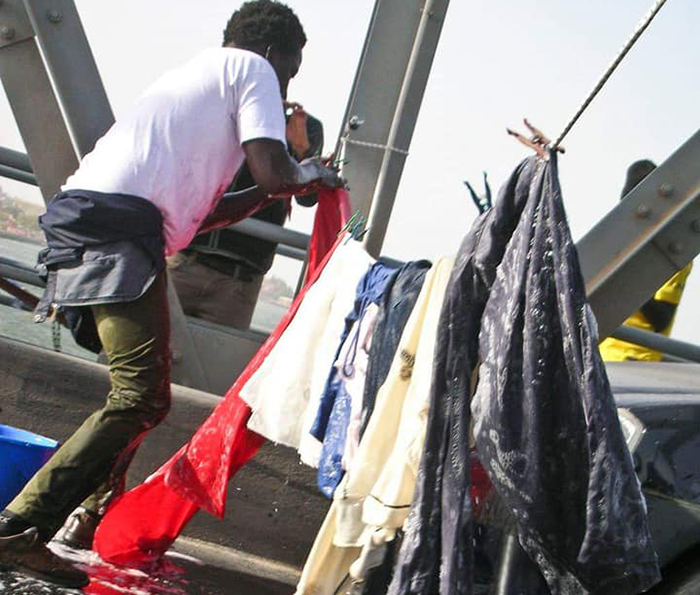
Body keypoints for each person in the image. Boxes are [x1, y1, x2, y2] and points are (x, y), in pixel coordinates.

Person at [0, 1, 341, 588]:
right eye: (291, 69)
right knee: (141, 398)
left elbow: (205, 214)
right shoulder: (252, 70)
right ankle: (18, 531)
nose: (286, 85)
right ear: (273, 54)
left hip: (101, 222)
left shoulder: (197, 79)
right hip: (116, 230)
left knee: (137, 393)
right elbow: (276, 175)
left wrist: (282, 183)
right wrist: (311, 166)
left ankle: (88, 517)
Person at [168, 103, 324, 329]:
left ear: (295, 67)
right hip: (182, 263)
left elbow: (308, 199)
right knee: (144, 354)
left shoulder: (306, 126)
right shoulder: (218, 107)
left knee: (216, 362)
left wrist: (301, 149)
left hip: (239, 282)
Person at [600, 159, 693, 362]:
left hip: (636, 360)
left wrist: (624, 278)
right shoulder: (612, 245)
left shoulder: (671, 253)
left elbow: (661, 318)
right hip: (598, 354)